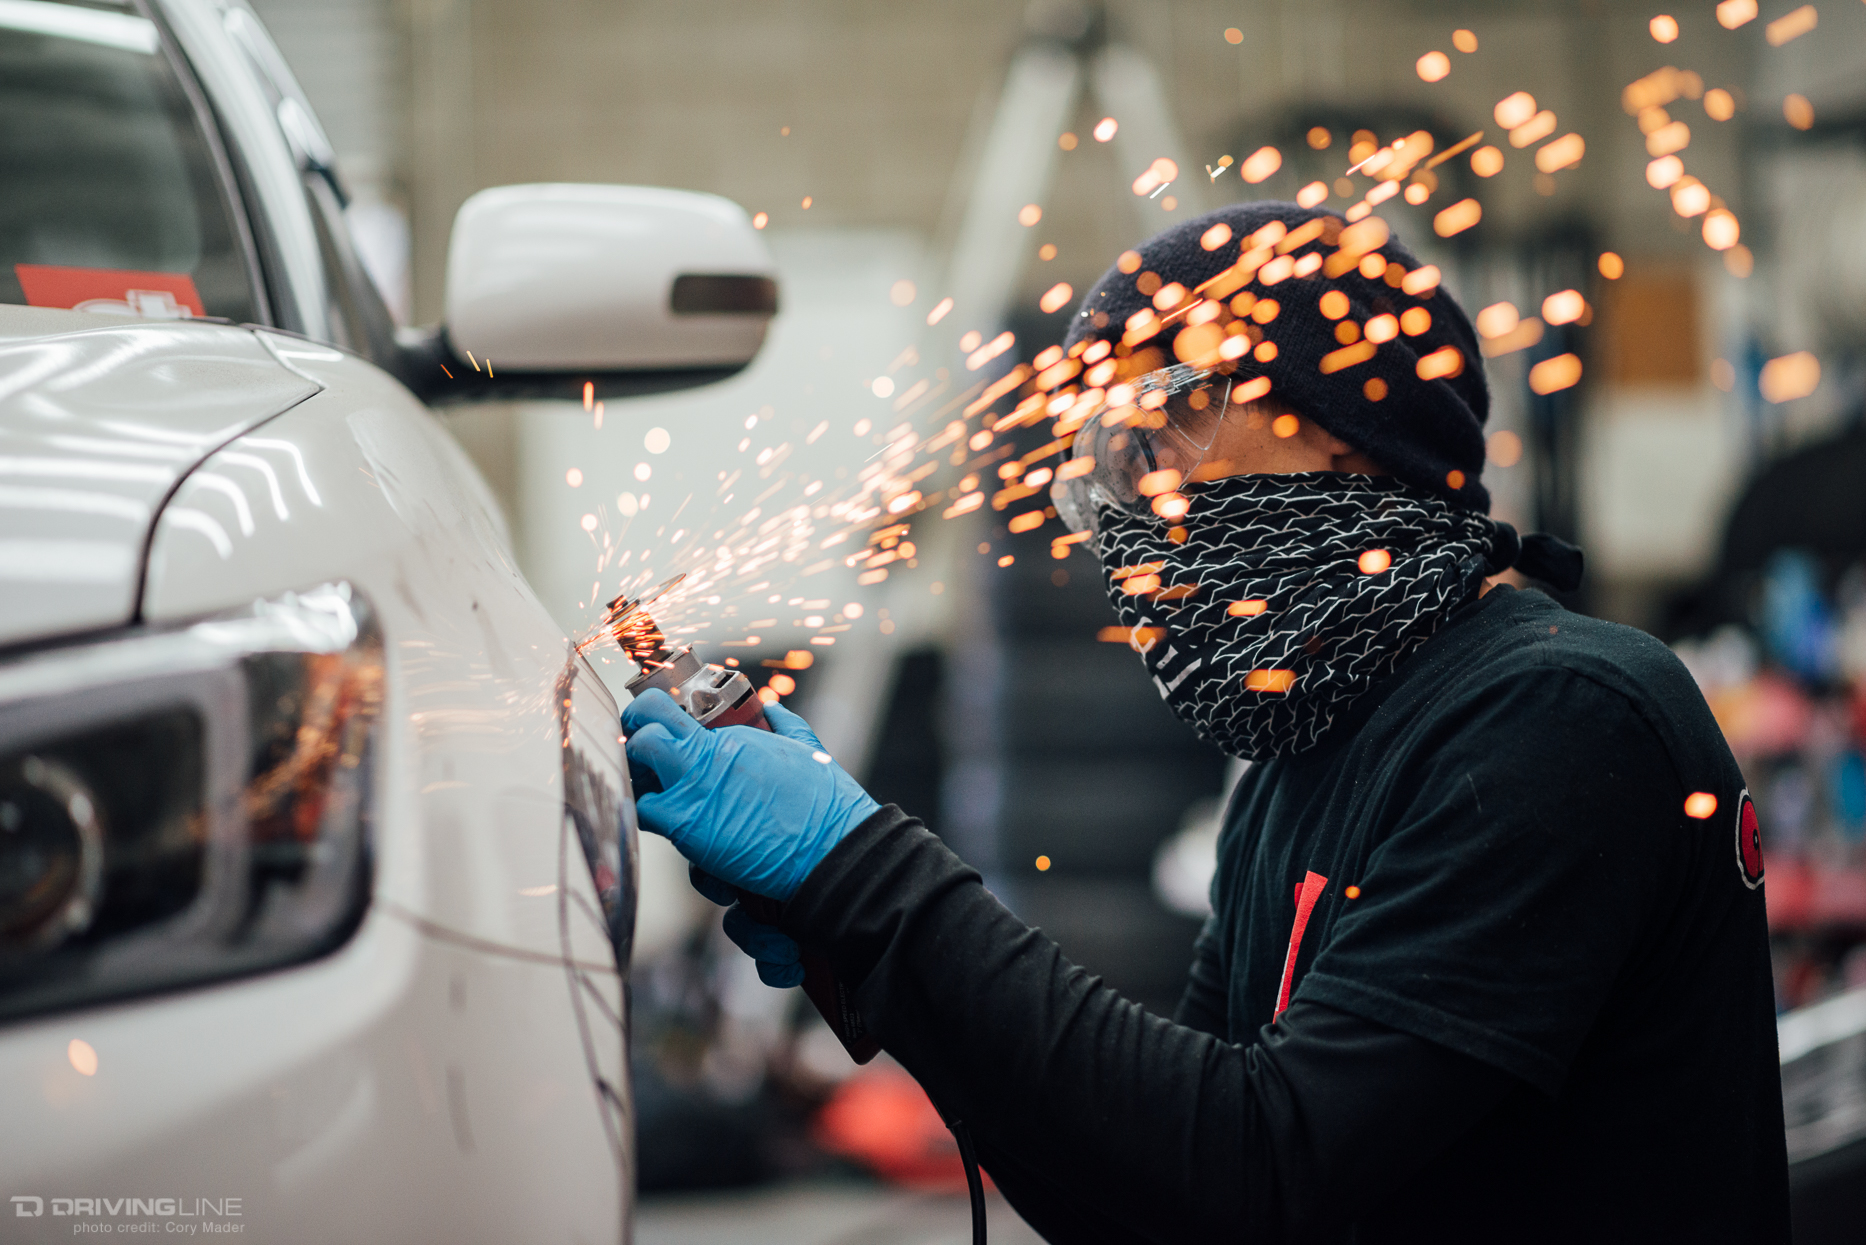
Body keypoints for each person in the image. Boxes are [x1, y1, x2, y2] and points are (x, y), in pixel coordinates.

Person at [621, 202, 1790, 1242]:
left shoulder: (1560, 719)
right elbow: (1161, 1195)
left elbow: (1266, 1167)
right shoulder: (1292, 764)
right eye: (1108, 466)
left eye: (1168, 424)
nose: (1135, 508)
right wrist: (876, 957)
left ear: (1349, 421)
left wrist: (872, 875)